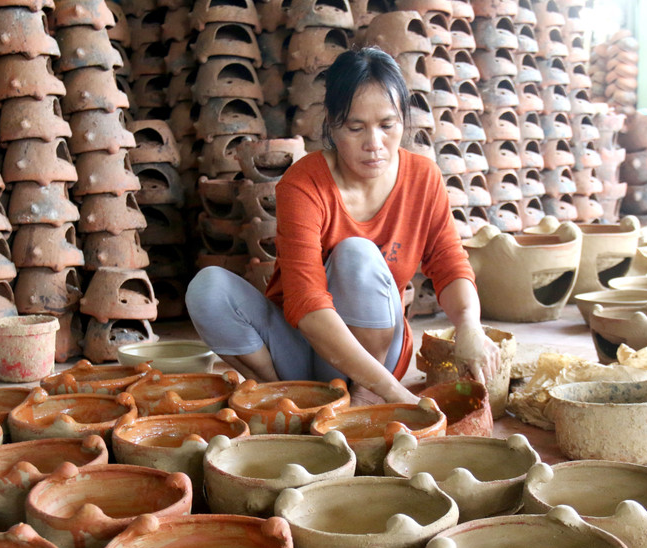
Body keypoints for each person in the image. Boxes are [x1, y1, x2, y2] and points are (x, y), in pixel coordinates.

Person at [185, 46, 499, 404]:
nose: (374, 144)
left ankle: (365, 394)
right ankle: (285, 397)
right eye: (355, 127)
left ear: (403, 121)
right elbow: (307, 302)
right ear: (332, 124)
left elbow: (449, 264)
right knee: (207, 288)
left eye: (387, 125)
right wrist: (401, 396)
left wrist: (470, 325)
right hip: (309, 346)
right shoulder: (303, 184)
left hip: (381, 355)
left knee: (357, 254)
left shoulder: (423, 177)